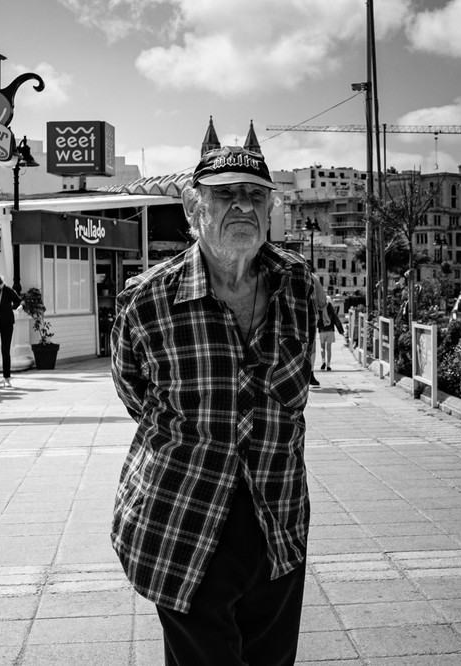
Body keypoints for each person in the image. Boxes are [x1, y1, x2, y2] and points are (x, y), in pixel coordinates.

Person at [110, 145, 316, 666]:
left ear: (270, 209)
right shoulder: (148, 301)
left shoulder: (296, 286)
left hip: (278, 525)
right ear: (191, 206)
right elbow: (134, 394)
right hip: (182, 525)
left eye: (255, 195)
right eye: (225, 195)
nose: (243, 206)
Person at [318, 296, 344, 371]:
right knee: (329, 349)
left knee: (322, 348)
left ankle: (323, 362)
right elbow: (336, 320)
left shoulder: (319, 310)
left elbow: (317, 321)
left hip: (322, 331)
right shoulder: (331, 310)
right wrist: (341, 331)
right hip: (330, 331)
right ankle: (328, 365)